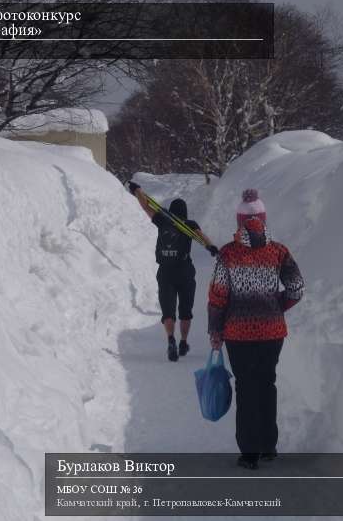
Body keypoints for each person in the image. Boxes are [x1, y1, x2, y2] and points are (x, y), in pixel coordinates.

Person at [207, 189, 304, 470]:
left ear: (239, 221)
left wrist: (215, 331)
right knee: (267, 384)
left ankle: (249, 453)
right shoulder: (279, 251)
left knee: (246, 388)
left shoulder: (228, 253)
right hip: (272, 334)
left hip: (238, 335)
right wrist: (275, 308)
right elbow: (297, 289)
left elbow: (217, 297)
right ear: (263, 218)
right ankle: (268, 446)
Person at [128, 181, 218, 361]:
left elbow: (146, 205)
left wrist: (137, 190)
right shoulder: (190, 225)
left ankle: (171, 339)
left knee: (168, 310)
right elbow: (202, 237)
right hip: (185, 271)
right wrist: (211, 247)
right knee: (186, 310)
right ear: (184, 212)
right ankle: (184, 341)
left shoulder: (162, 220)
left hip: (165, 272)